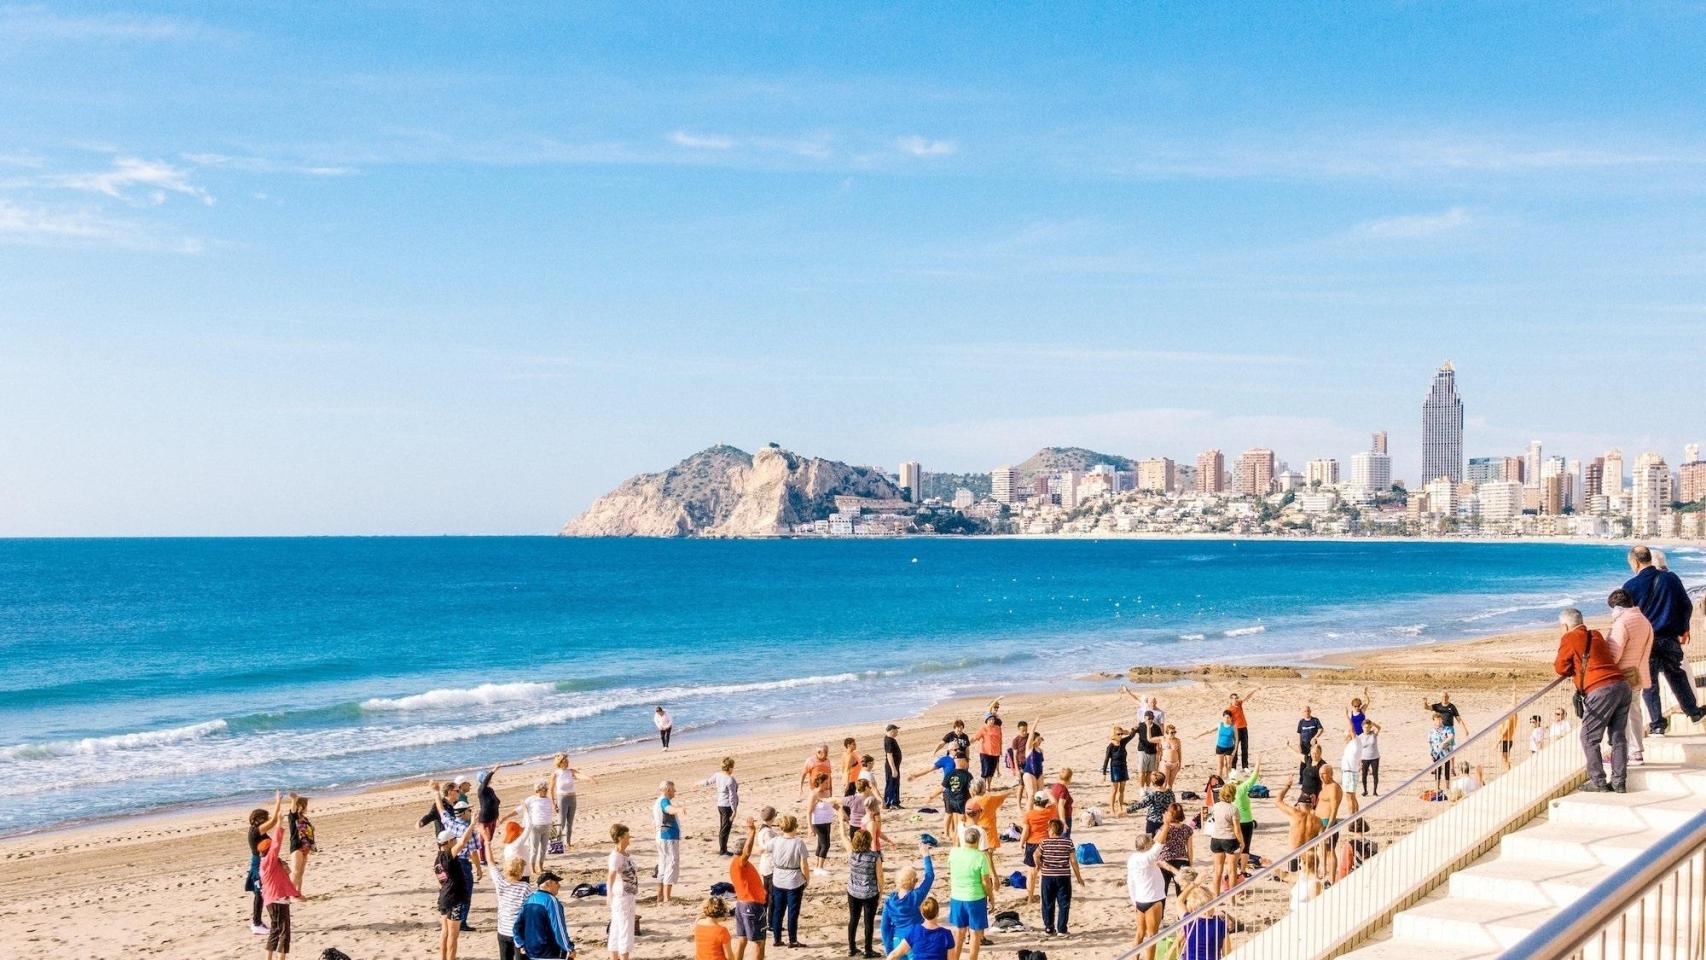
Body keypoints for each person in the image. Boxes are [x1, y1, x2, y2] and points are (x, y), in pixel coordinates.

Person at [1623, 544, 1705, 733]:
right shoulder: (1670, 578)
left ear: (1635, 563)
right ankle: (1693, 711)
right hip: (1669, 637)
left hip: (1645, 642)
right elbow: (1686, 604)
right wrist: (1684, 628)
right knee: (1676, 675)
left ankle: (1658, 725)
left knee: (1649, 683)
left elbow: (1628, 617)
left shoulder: (1630, 586)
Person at [1554, 606, 1631, 792]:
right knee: (1617, 736)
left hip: (1600, 689)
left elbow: (1560, 667)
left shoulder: (1569, 638)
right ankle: (1619, 782)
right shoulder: (1595, 635)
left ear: (1565, 626)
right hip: (1621, 685)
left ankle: (1598, 781)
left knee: (1589, 737)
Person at [1606, 588, 1654, 764]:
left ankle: (1623, 753)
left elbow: (1613, 653)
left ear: (1617, 607)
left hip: (1622, 675)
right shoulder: (1643, 620)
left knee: (1620, 716)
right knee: (1634, 712)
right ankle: (1636, 751)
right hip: (1638, 673)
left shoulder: (1622, 623)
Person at [257, 792, 301, 960]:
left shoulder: (265, 865)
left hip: (270, 900)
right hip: (278, 900)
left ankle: (269, 957)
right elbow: (275, 844)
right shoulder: (269, 860)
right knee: (284, 931)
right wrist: (280, 824)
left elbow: (285, 875)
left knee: (275, 929)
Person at [430, 783, 479, 931]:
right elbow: (473, 852)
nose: (470, 812)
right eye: (469, 810)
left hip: (448, 862)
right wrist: (478, 868)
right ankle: (461, 922)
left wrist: (436, 792)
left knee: (449, 889)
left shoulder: (450, 823)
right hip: (462, 862)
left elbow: (441, 809)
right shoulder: (468, 831)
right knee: (465, 893)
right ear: (464, 813)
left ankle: (451, 918)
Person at [435, 817, 479, 960]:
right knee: (453, 936)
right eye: (452, 840)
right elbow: (463, 842)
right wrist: (472, 824)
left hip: (443, 898)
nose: (455, 841)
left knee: (445, 932)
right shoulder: (448, 856)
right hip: (454, 899)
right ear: (447, 843)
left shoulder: (438, 859)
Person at [1127, 833, 1177, 959]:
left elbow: (1130, 882)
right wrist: (1166, 824)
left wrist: (1134, 901)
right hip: (1153, 900)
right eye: (1150, 843)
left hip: (1140, 900)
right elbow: (1158, 846)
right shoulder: (1147, 858)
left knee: (1139, 934)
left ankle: (1135, 958)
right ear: (1146, 846)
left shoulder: (1133, 859)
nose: (1152, 844)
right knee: (1152, 936)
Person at [946, 827, 993, 960]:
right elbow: (985, 881)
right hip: (975, 897)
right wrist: (991, 897)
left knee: (959, 932)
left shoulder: (953, 852)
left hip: (957, 897)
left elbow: (950, 869)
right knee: (975, 934)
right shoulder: (980, 856)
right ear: (978, 841)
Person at [839, 821, 885, 957]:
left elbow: (843, 836)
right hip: (870, 893)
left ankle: (851, 947)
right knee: (868, 922)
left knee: (853, 919)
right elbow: (880, 877)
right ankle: (868, 949)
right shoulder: (874, 857)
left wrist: (840, 819)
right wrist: (880, 893)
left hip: (853, 891)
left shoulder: (851, 853)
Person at [880, 844, 935, 953]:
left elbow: (884, 927)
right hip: (915, 939)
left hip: (897, 940)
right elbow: (929, 876)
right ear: (913, 882)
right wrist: (926, 855)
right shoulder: (915, 896)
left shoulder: (889, 901)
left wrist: (889, 948)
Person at [767, 815, 810, 948]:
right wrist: (807, 878)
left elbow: (765, 850)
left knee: (778, 910)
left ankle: (777, 938)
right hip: (794, 880)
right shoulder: (798, 842)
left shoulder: (776, 840)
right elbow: (804, 864)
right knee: (792, 912)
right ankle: (792, 940)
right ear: (795, 826)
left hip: (778, 878)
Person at [1036, 818, 1082, 938]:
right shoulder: (1068, 842)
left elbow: (1036, 854)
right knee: (1064, 903)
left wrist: (1039, 865)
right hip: (1063, 876)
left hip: (1047, 876)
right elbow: (1073, 860)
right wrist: (1078, 877)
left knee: (1047, 903)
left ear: (1052, 830)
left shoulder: (1044, 842)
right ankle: (1062, 929)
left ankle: (1049, 928)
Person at [730, 818, 769, 960]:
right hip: (751, 906)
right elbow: (746, 852)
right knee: (759, 943)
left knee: (742, 940)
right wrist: (752, 832)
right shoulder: (740, 863)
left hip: (742, 905)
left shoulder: (737, 863)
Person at [514, 869, 575, 959]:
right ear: (548, 884)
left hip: (531, 952)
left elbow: (517, 925)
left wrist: (520, 944)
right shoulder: (551, 901)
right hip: (549, 953)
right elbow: (558, 928)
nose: (559, 885)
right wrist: (569, 948)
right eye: (556, 883)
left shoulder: (529, 899)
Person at [245, 794, 283, 936]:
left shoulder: (259, 830)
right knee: (259, 894)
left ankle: (258, 922)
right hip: (258, 864)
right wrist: (278, 801)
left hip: (262, 863)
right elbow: (273, 821)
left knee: (260, 893)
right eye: (265, 818)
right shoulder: (255, 831)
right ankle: (256, 924)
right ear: (259, 820)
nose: (267, 820)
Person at [505, 780, 556, 877]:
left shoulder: (548, 799)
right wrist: (505, 817)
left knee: (544, 849)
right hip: (535, 827)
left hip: (547, 827)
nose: (546, 791)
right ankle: (533, 869)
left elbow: (549, 812)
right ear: (538, 790)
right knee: (534, 849)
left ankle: (541, 866)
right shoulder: (531, 799)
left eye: (547, 789)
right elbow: (519, 810)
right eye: (544, 789)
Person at [1272, 778, 1322, 872]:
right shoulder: (1317, 820)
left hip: (1294, 853)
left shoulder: (1295, 814)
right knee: (1309, 878)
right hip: (1310, 855)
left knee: (1294, 881)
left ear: (1298, 805)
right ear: (1311, 805)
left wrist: (1287, 786)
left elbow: (1277, 801)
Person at [884, 897, 955, 960]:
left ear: (922, 913)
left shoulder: (914, 931)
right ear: (937, 913)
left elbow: (894, 955)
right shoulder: (946, 934)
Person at [922, 752, 973, 840]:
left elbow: (942, 787)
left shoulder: (950, 773)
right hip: (961, 799)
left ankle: (946, 833)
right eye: (967, 761)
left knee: (948, 814)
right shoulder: (967, 775)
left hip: (949, 797)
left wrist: (931, 796)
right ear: (963, 761)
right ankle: (959, 834)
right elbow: (972, 789)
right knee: (961, 816)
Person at [491, 856, 533, 960]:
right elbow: (531, 909)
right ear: (521, 872)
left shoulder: (501, 883)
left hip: (503, 932)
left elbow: (491, 864)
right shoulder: (525, 887)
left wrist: (487, 844)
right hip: (519, 932)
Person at [606, 823, 639, 960]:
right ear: (619, 838)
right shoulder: (615, 857)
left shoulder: (624, 854)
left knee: (618, 928)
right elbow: (610, 877)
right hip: (622, 897)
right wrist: (609, 896)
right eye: (626, 837)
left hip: (628, 896)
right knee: (625, 929)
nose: (629, 840)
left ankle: (616, 957)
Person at [1203, 783, 1242, 896]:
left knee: (1217, 870)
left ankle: (1216, 896)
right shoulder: (1233, 809)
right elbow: (1237, 829)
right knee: (1232, 870)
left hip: (1216, 838)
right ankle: (1232, 897)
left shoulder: (1216, 806)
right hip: (1229, 839)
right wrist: (1242, 842)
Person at [1020, 790, 1059, 897]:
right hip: (1046, 843)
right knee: (1044, 873)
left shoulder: (1029, 815)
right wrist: (1048, 792)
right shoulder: (1050, 811)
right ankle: (1044, 897)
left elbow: (1026, 831)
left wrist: (1021, 843)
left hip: (1032, 844)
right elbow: (1055, 802)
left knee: (1031, 873)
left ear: (1034, 802)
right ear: (1045, 802)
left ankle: (1030, 898)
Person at [1177, 883, 1230, 960]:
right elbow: (1227, 953)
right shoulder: (1220, 923)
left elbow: (1179, 901)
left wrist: (1193, 884)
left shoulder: (1189, 921)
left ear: (1192, 906)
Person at [552, 753, 593, 851]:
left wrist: (590, 779)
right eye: (565, 761)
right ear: (560, 763)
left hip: (572, 798)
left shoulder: (571, 771)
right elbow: (551, 789)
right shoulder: (556, 773)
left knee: (570, 823)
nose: (567, 762)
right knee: (561, 822)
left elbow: (580, 775)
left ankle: (568, 843)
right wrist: (553, 803)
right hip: (562, 799)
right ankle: (557, 846)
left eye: (567, 761)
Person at [702, 757, 741, 856]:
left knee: (724, 827)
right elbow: (732, 796)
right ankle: (723, 850)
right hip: (727, 806)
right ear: (730, 768)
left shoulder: (718, 775)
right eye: (733, 767)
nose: (733, 769)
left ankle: (723, 848)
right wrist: (734, 810)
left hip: (720, 805)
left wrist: (698, 783)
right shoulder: (730, 779)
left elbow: (707, 782)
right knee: (725, 829)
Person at [654, 780, 683, 903]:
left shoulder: (657, 802)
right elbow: (668, 809)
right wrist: (678, 809)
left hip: (661, 836)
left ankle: (660, 896)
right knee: (671, 863)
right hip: (668, 836)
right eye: (673, 789)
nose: (675, 791)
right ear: (667, 790)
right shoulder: (663, 801)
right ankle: (667, 897)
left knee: (663, 865)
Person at [1157, 802, 1194, 894]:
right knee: (1182, 893)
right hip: (1182, 860)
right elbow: (1189, 849)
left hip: (1165, 860)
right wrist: (1190, 863)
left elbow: (1156, 842)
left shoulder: (1165, 828)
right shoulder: (1187, 829)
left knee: (1162, 892)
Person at [474, 763, 506, 866]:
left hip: (493, 818)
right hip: (485, 819)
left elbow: (497, 802)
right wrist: (494, 770)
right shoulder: (481, 790)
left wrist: (497, 817)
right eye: (487, 776)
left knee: (489, 840)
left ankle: (487, 858)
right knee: (484, 840)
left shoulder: (490, 790)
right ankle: (483, 860)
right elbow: (486, 780)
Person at [285, 794, 317, 897]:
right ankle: (290, 894)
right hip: (297, 846)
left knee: (301, 872)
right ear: (301, 806)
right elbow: (293, 810)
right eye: (306, 805)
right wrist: (294, 800)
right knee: (295, 871)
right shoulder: (293, 818)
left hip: (306, 847)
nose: (307, 807)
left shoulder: (305, 818)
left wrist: (311, 846)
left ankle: (298, 893)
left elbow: (309, 833)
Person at [1104, 725, 1139, 815]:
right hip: (1115, 768)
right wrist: (1104, 774)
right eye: (1118, 734)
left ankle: (1120, 808)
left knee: (1122, 789)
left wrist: (1133, 729)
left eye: (1121, 734)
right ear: (1114, 735)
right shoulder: (1110, 746)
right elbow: (1106, 759)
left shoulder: (1123, 742)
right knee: (1114, 790)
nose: (1120, 736)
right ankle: (1112, 809)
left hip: (1124, 767)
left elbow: (1131, 736)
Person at [807, 772, 838, 868]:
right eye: (825, 783)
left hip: (827, 821)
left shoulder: (827, 792)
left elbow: (833, 804)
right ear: (820, 783)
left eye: (828, 783)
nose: (827, 785)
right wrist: (810, 828)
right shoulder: (814, 794)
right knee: (826, 844)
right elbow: (808, 812)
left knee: (821, 844)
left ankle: (817, 865)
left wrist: (843, 815)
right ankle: (820, 867)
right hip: (818, 823)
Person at [1227, 689, 1257, 770]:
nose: (1235, 699)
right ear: (1230, 699)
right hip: (1236, 731)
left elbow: (1247, 696)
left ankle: (1245, 766)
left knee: (1245, 748)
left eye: (1236, 698)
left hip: (1244, 729)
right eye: (1233, 698)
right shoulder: (1229, 709)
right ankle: (1233, 767)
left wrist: (1254, 690)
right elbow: (1227, 721)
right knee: (1235, 749)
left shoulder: (1239, 703)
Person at [1139, 771, 1174, 837]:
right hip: (1165, 821)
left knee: (1150, 843)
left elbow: (1141, 804)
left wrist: (1126, 810)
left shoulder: (1153, 794)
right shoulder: (1170, 793)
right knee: (1163, 843)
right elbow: (1173, 806)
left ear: (1153, 783)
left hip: (1152, 821)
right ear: (1164, 781)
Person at [1427, 713, 1456, 790]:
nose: (1439, 721)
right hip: (1436, 753)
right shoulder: (1431, 731)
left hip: (1446, 752)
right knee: (1437, 770)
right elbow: (1430, 743)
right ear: (1434, 721)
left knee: (1447, 769)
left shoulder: (1446, 729)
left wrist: (1444, 742)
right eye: (1437, 720)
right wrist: (1431, 754)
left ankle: (1447, 787)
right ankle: (1437, 787)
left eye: (1440, 719)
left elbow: (1451, 736)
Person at [975, 714, 1003, 787]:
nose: (992, 721)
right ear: (986, 721)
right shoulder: (983, 728)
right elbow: (976, 737)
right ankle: (983, 786)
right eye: (990, 719)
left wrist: (1001, 750)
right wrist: (967, 743)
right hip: (985, 752)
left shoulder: (998, 728)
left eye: (993, 719)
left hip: (995, 752)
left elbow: (1000, 740)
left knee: (991, 771)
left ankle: (989, 786)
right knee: (985, 770)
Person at [1135, 711, 1163, 783]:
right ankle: (1141, 789)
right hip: (1142, 750)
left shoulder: (1157, 727)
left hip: (1153, 752)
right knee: (1141, 772)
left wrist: (1160, 751)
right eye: (1149, 718)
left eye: (1152, 718)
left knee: (1150, 772)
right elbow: (1131, 733)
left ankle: (1147, 788)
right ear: (1144, 718)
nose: (1150, 720)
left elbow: (1160, 739)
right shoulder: (1140, 725)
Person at [1048, 767, 1076, 837]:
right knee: (1065, 837)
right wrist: (1063, 820)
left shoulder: (1055, 786)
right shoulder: (1064, 790)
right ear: (1069, 778)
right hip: (1064, 816)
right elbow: (1061, 805)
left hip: (1055, 815)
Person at [1357, 720, 1382, 796]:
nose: (1366, 729)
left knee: (1375, 774)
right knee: (1364, 775)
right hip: (1364, 758)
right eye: (1365, 727)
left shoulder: (1373, 734)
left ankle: (1375, 791)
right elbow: (1358, 749)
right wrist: (1359, 761)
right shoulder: (1360, 737)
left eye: (1368, 727)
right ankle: (1365, 790)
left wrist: (1373, 723)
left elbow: (1379, 728)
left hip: (1375, 757)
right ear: (1362, 727)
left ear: (1370, 727)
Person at [882, 724, 904, 810]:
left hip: (895, 766)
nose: (897, 733)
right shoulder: (889, 740)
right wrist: (893, 769)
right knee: (891, 784)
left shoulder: (891, 739)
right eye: (896, 731)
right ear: (892, 731)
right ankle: (888, 803)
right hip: (891, 767)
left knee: (896, 784)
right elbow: (889, 755)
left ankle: (895, 802)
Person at [1212, 710, 1237, 781]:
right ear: (1223, 717)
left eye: (1228, 717)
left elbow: (1236, 740)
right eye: (1225, 717)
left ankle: (1228, 781)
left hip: (1229, 748)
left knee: (1228, 765)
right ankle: (1219, 781)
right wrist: (1199, 735)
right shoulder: (1220, 725)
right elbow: (1209, 730)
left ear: (1231, 718)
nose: (1226, 719)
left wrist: (1234, 750)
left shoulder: (1233, 727)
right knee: (1220, 765)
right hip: (1220, 747)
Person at [1160, 723, 1183, 789]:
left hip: (1175, 763)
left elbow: (1179, 752)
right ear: (1167, 732)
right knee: (1165, 783)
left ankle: (1169, 798)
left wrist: (1180, 763)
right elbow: (1159, 751)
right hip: (1166, 762)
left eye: (1174, 732)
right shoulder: (1163, 739)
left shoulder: (1177, 740)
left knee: (1170, 784)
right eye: (1171, 732)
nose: (1173, 734)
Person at [1339, 729, 1361, 796]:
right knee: (1351, 795)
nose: (1344, 738)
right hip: (1347, 772)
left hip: (1350, 772)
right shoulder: (1350, 745)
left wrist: (1346, 717)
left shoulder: (1354, 743)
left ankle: (1352, 807)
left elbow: (1351, 728)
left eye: (1346, 736)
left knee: (1350, 795)